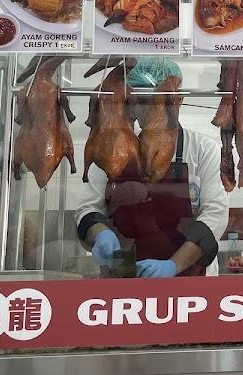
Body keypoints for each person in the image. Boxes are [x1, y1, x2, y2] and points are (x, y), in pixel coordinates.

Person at [75, 58, 228, 278]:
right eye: (142, 100)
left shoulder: (203, 150)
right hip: (124, 278)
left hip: (190, 282)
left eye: (160, 101)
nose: (151, 109)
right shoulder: (115, 150)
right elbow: (89, 210)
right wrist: (101, 234)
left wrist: (173, 266)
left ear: (178, 101)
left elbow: (215, 216)